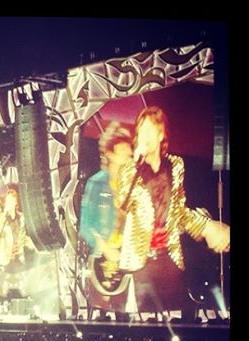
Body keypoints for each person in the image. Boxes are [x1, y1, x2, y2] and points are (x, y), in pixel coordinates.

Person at [115, 106, 230, 319]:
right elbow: (124, 202)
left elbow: (179, 212)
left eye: (149, 130)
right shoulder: (129, 169)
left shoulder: (176, 165)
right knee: (144, 321)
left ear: (161, 135)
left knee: (178, 317)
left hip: (169, 255)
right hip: (141, 260)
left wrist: (208, 228)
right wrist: (136, 165)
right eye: (141, 130)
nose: (144, 135)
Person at [79, 121, 133, 321]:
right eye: (122, 152)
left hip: (127, 258)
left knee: (125, 316)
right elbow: (85, 225)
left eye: (129, 153)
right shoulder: (96, 183)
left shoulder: (134, 185)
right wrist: (104, 247)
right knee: (101, 315)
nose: (127, 157)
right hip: (102, 259)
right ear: (109, 153)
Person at [0, 188, 35, 271]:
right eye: (7, 201)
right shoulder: (2, 218)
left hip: (19, 258)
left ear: (15, 202)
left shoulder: (21, 218)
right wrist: (4, 214)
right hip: (6, 260)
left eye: (10, 200)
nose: (8, 203)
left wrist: (32, 244)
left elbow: (23, 237)